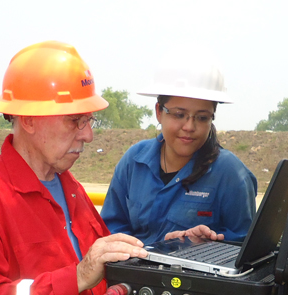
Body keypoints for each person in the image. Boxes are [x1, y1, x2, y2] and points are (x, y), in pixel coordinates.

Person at [0, 41, 147, 295]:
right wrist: (75, 278)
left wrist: (166, 255)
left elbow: (102, 280)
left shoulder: (70, 187)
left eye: (89, 120)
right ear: (28, 119)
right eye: (75, 120)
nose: (88, 135)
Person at [101, 58, 257, 245]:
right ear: (159, 111)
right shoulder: (134, 162)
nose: (189, 126)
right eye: (179, 115)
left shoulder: (229, 173)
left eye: (201, 117)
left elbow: (244, 245)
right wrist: (152, 250)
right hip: (133, 271)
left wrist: (203, 245)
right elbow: (111, 228)